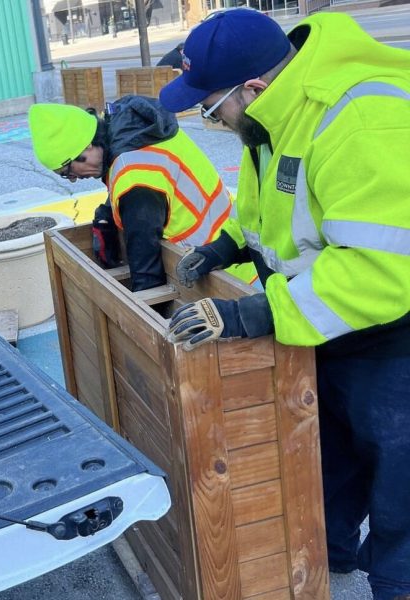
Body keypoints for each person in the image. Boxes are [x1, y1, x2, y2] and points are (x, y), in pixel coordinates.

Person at [159, 9, 410, 600]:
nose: (211, 121)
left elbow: (381, 266)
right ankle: (333, 554)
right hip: (327, 327)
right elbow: (269, 218)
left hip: (390, 336)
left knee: (398, 475)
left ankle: (396, 581)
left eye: (209, 107)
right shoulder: (271, 121)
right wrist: (225, 248)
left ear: (255, 88)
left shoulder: (358, 120)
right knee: (334, 457)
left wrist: (255, 314)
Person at [28, 96, 247, 292]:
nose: (74, 179)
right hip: (230, 248)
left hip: (223, 276)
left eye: (67, 171)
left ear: (85, 147)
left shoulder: (136, 180)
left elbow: (147, 270)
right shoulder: (133, 132)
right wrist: (105, 215)